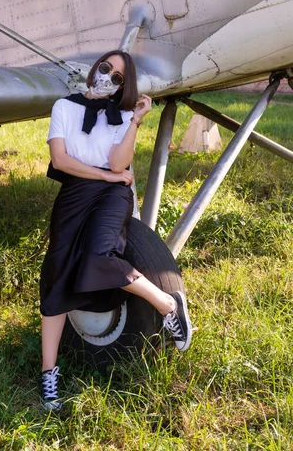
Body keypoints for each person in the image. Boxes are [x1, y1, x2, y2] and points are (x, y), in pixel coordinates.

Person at [39, 50, 192, 411]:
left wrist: (136, 121)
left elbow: (119, 164)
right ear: (95, 68)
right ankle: (49, 376)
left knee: (99, 255)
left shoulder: (122, 116)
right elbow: (60, 161)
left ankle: (169, 305)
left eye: (118, 76)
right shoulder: (64, 107)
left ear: (125, 86)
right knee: (56, 274)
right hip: (75, 193)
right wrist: (107, 174)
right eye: (106, 67)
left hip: (111, 194)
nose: (108, 76)